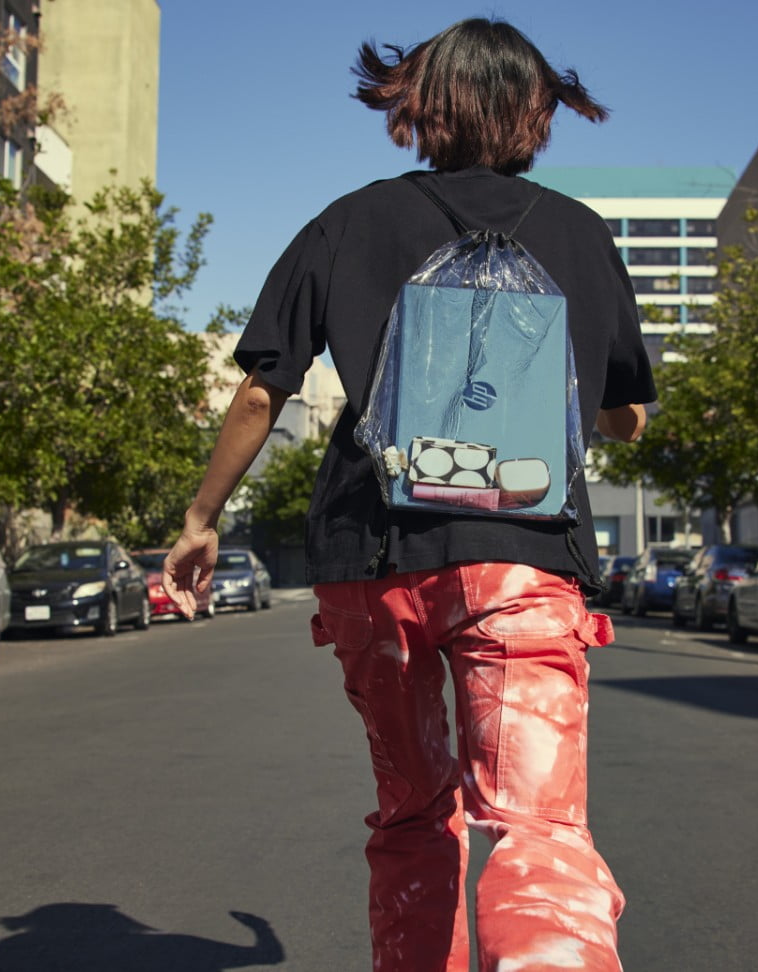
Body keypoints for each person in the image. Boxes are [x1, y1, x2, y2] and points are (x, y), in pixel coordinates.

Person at [163, 18, 654, 972]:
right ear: (536, 113)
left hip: (369, 561)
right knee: (538, 828)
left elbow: (264, 389)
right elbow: (621, 413)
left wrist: (201, 517)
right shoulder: (580, 235)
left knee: (415, 812)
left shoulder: (346, 221)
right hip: (519, 560)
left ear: (419, 108)